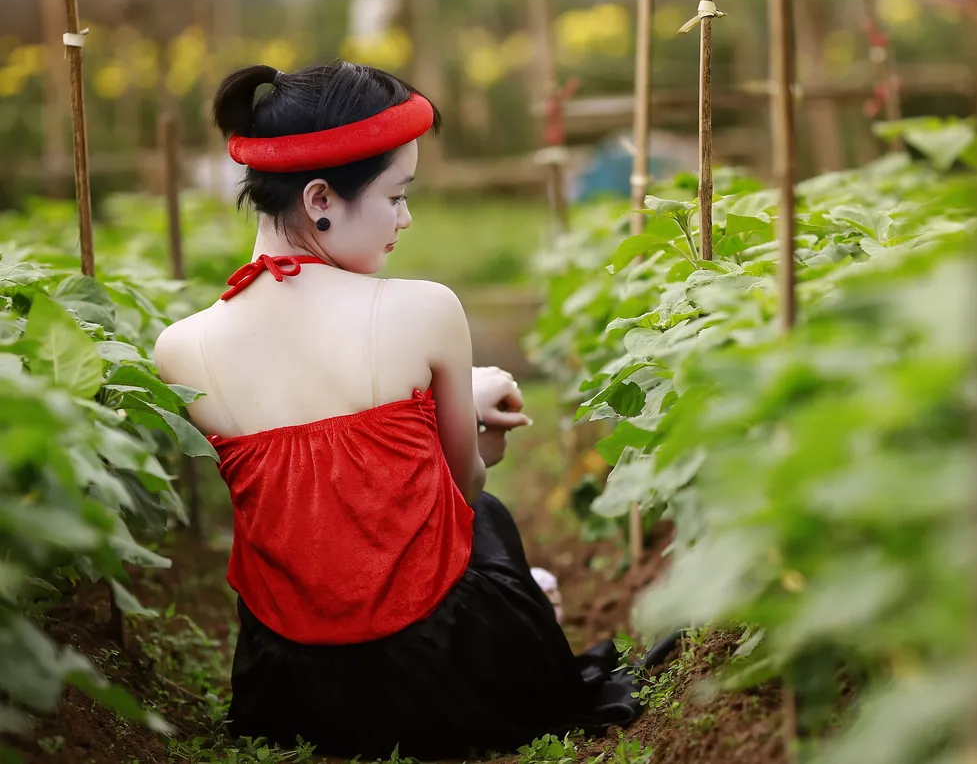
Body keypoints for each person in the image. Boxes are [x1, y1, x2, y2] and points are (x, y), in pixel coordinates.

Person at [153, 61, 668, 760]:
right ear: (320, 198)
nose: (406, 217)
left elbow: (317, 493)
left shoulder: (180, 349)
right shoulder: (423, 310)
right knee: (485, 517)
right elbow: (461, 488)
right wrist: (479, 436)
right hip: (443, 678)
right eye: (397, 196)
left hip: (291, 693)